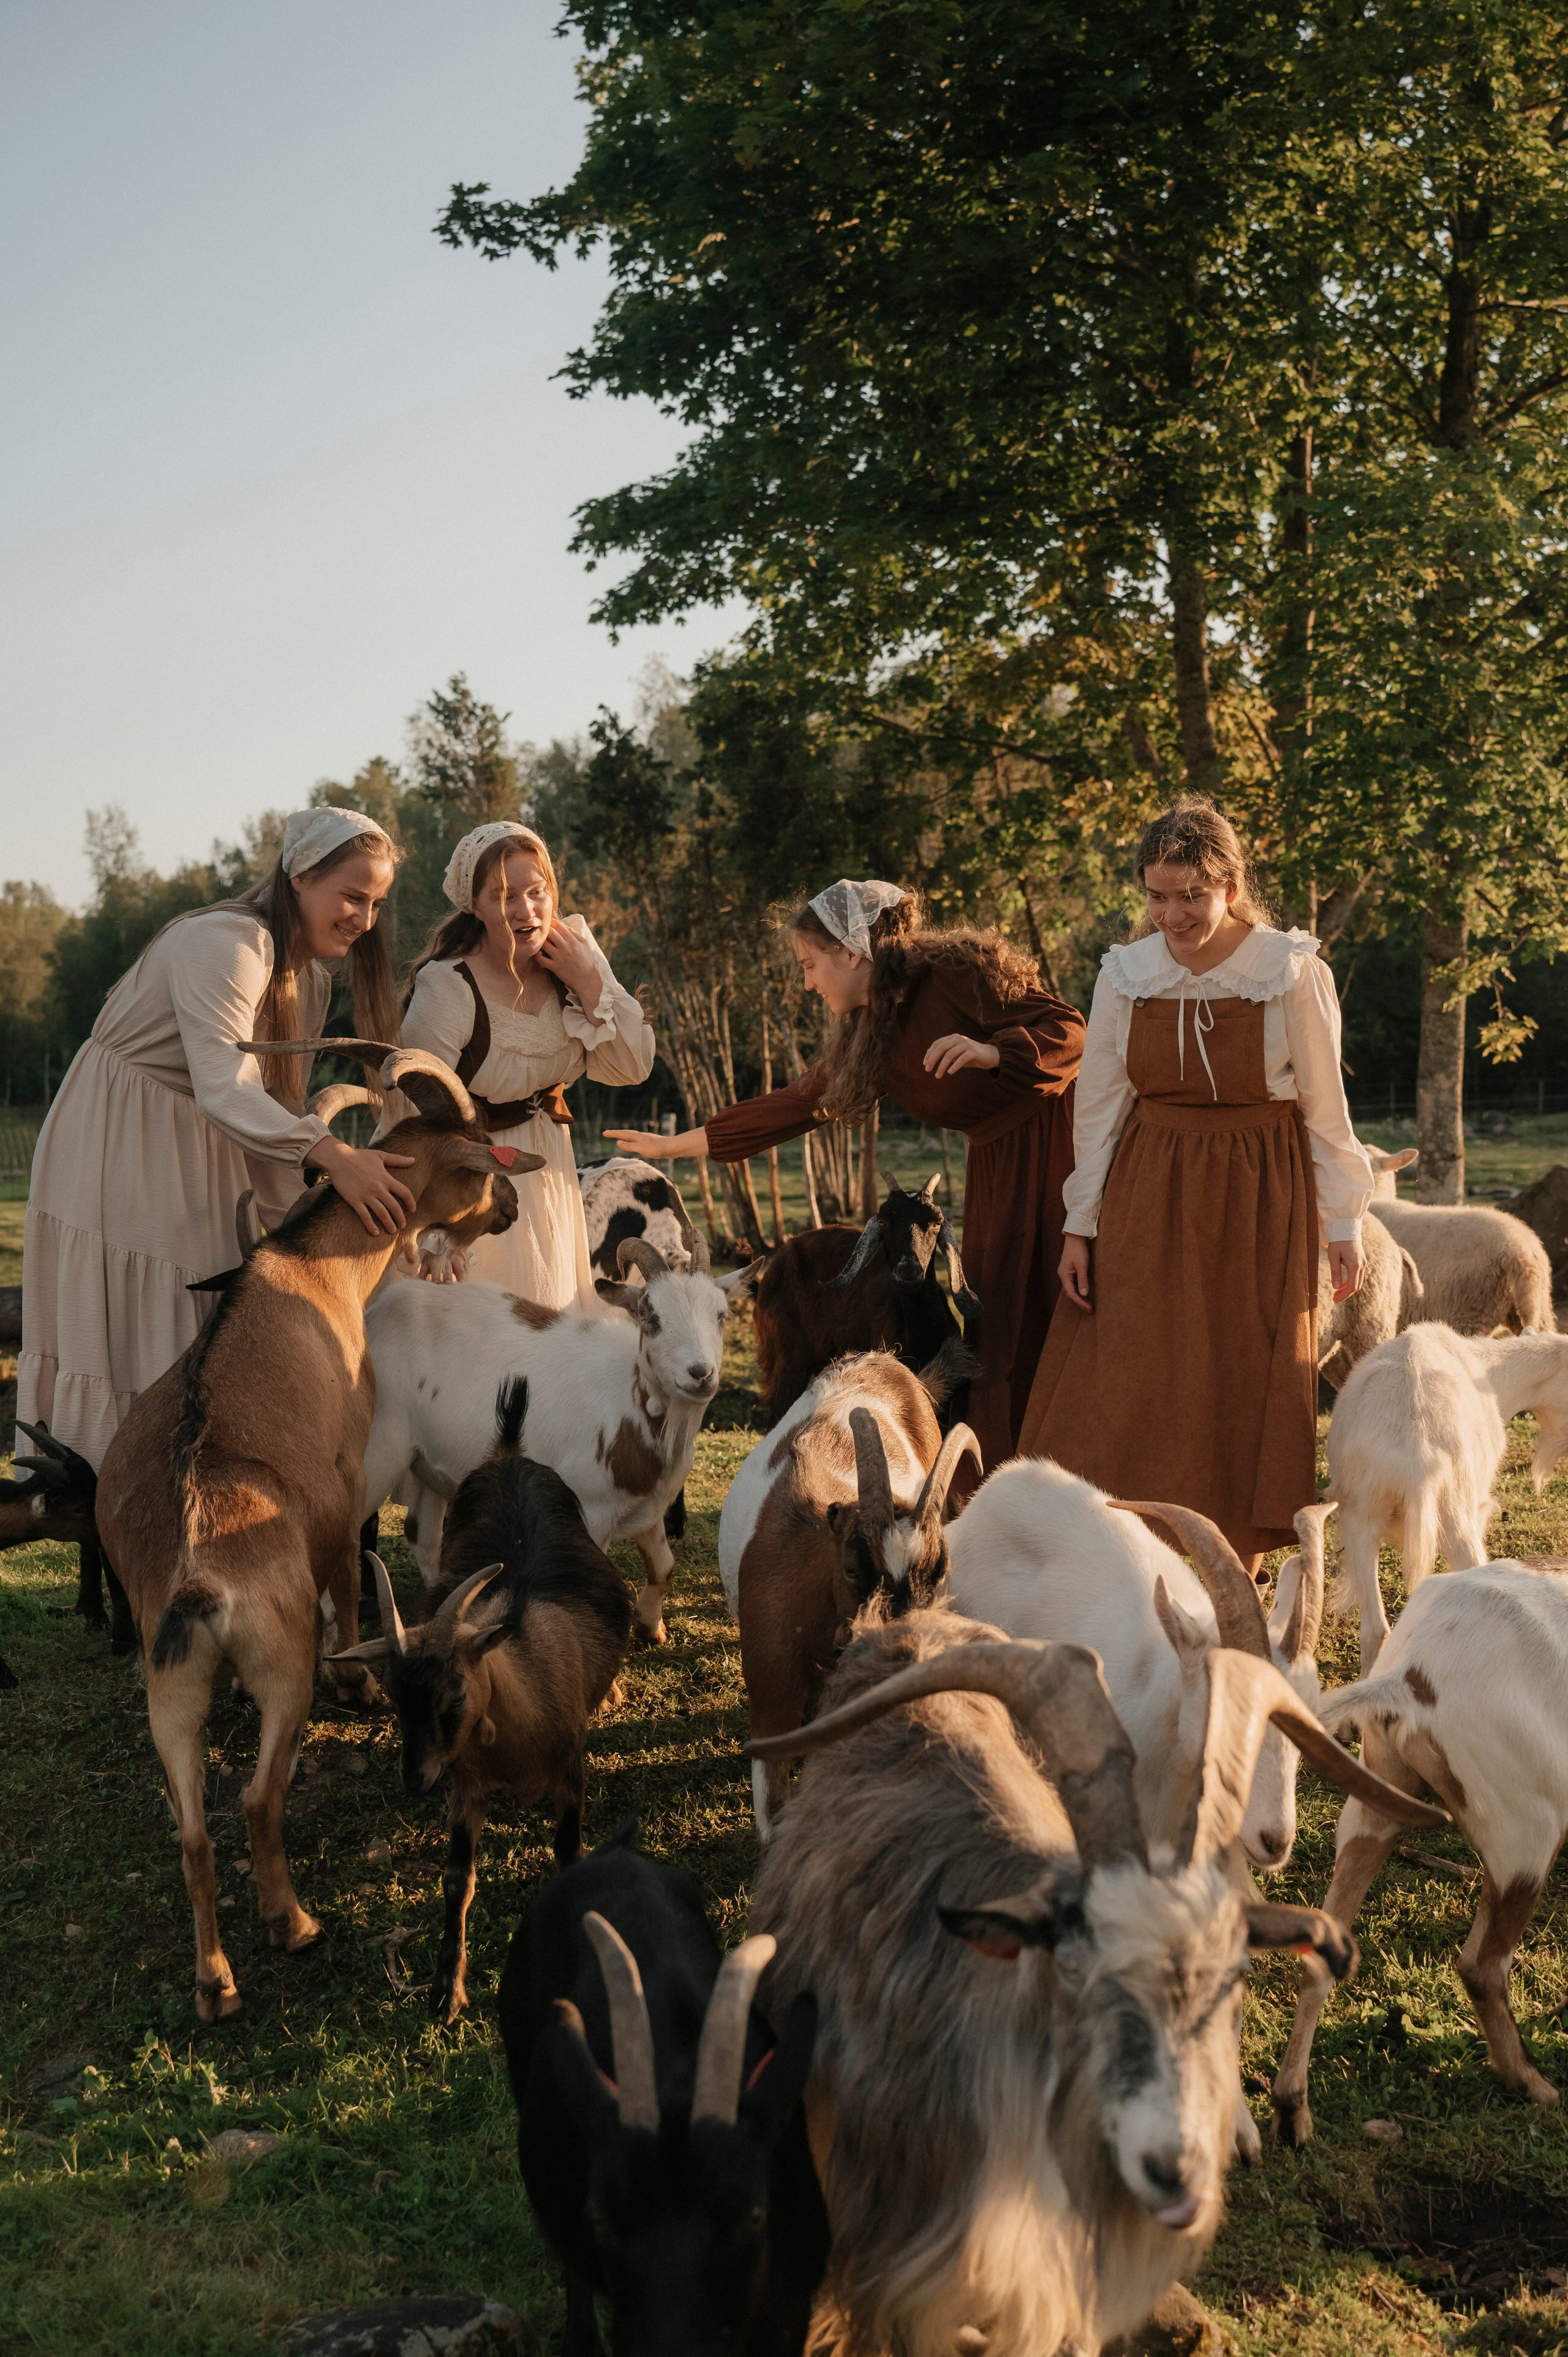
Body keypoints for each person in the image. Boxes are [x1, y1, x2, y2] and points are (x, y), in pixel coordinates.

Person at [607, 880, 1085, 1473]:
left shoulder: (956, 975)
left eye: (810, 964)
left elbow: (1070, 1030)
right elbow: (801, 1100)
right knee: (1000, 1332)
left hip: (1063, 1149)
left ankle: (1071, 1470)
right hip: (996, 1169)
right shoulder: (872, 1030)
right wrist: (686, 1142)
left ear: (852, 952)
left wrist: (995, 1052)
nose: (807, 981)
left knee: (1056, 1319)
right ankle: (1002, 1481)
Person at [1018, 798, 1371, 1572]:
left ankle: (1228, 1556)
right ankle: (1125, 1548)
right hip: (1150, 1186)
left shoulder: (1289, 969)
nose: (1172, 914)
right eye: (1157, 895)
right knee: (1132, 1367)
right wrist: (1082, 1225)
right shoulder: (1126, 974)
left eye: (1190, 896)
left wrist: (1343, 1221)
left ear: (1230, 885)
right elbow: (1100, 1109)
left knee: (1245, 1373)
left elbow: (1324, 1106)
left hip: (1260, 1192)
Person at [18, 807, 413, 1468]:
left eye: (375, 902)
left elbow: (276, 1102)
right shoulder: (227, 943)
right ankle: (119, 1479)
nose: (363, 918)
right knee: (153, 1308)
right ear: (298, 875)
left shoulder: (306, 977)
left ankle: (176, 1482)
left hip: (203, 1139)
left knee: (200, 1303)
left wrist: (320, 1218)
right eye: (351, 895)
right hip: (124, 1134)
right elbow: (227, 1087)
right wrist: (337, 1156)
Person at [394, 821, 656, 1305]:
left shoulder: (573, 955)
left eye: (538, 892)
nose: (526, 911)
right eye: (504, 897)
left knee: (546, 1322)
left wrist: (589, 982)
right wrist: (435, 1232)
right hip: (465, 1177)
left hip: (546, 1167)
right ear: (475, 905)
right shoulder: (449, 986)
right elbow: (411, 1117)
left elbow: (631, 1068)